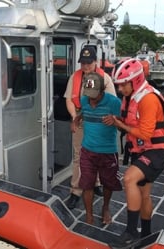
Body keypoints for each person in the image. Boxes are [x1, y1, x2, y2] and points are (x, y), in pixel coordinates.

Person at [107, 58, 164, 248]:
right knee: (144, 194)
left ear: (134, 80)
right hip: (142, 149)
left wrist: (119, 124)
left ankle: (131, 232)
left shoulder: (148, 99)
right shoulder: (133, 96)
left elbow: (145, 133)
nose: (120, 90)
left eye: (122, 86)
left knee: (129, 179)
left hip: (158, 151)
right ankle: (146, 234)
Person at [64, 46, 117, 209]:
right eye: (83, 62)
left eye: (89, 62)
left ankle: (97, 183)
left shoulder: (105, 79)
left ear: (95, 62)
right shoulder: (75, 77)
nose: (86, 66)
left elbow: (112, 103)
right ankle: (76, 191)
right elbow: (69, 99)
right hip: (80, 120)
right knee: (79, 156)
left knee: (98, 155)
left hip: (98, 124)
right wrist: (74, 117)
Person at [72, 72, 122, 225]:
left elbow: (126, 123)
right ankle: (89, 216)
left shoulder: (114, 102)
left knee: (108, 183)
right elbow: (82, 112)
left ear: (103, 91)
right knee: (87, 183)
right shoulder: (84, 100)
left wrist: (115, 121)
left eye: (95, 96)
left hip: (108, 152)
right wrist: (76, 119)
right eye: (89, 96)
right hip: (87, 151)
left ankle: (105, 208)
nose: (91, 100)